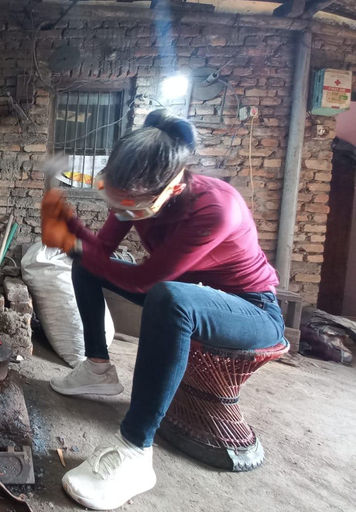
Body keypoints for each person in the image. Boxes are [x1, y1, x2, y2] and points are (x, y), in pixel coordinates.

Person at [41, 109, 285, 510]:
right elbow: (99, 252)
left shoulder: (216, 207)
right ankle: (98, 369)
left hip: (252, 309)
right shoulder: (132, 196)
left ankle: (136, 450)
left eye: (129, 202)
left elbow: (145, 281)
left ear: (170, 188)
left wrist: (73, 242)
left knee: (169, 296)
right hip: (186, 294)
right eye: (113, 195)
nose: (120, 208)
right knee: (91, 268)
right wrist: (68, 223)